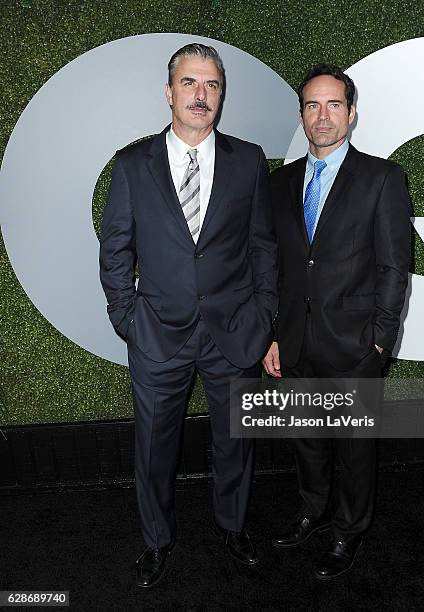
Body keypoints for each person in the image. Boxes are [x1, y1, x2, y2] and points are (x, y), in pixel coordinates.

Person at [100, 43, 277, 588]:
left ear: (221, 95)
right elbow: (116, 252)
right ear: (169, 92)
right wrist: (128, 318)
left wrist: (263, 315)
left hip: (235, 332)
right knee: (154, 447)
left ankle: (233, 526)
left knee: (235, 442)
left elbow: (263, 247)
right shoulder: (132, 165)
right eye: (190, 83)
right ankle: (156, 540)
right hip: (158, 335)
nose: (201, 95)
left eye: (212, 85)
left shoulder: (249, 160)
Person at [263, 64, 411, 580]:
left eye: (332, 105)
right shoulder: (279, 183)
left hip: (355, 346)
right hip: (295, 340)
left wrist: (380, 340)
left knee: (354, 449)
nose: (321, 116)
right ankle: (313, 508)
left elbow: (395, 266)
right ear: (302, 115)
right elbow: (275, 266)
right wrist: (273, 335)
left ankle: (349, 530)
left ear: (350, 113)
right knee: (306, 436)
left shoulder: (382, 178)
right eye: (311, 105)